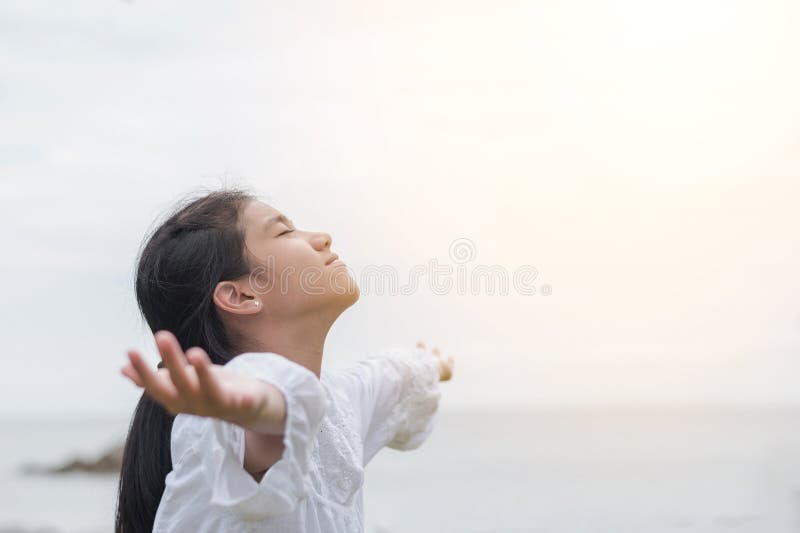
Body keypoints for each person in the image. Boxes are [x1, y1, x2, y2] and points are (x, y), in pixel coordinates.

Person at [114, 188, 455, 532]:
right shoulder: (212, 426)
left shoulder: (339, 403)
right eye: (284, 231)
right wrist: (258, 410)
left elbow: (395, 376)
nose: (322, 238)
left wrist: (432, 364)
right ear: (241, 294)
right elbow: (271, 423)